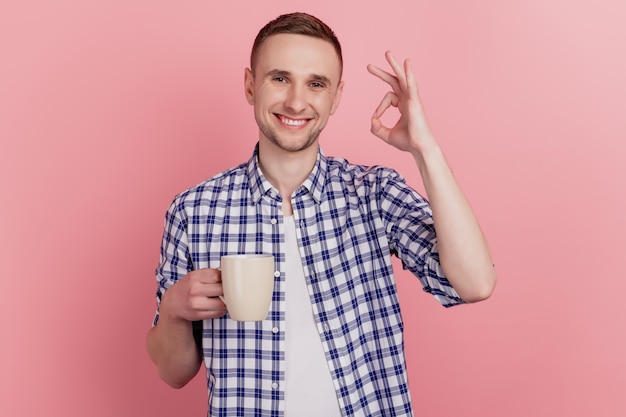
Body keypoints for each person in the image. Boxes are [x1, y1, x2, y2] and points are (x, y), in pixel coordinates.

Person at [147, 12, 496, 417]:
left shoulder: (374, 193)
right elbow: (173, 373)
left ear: (336, 97)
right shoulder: (195, 210)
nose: (296, 101)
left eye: (316, 84)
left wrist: (425, 148)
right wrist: (172, 308)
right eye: (279, 78)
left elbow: (475, 283)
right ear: (249, 85)